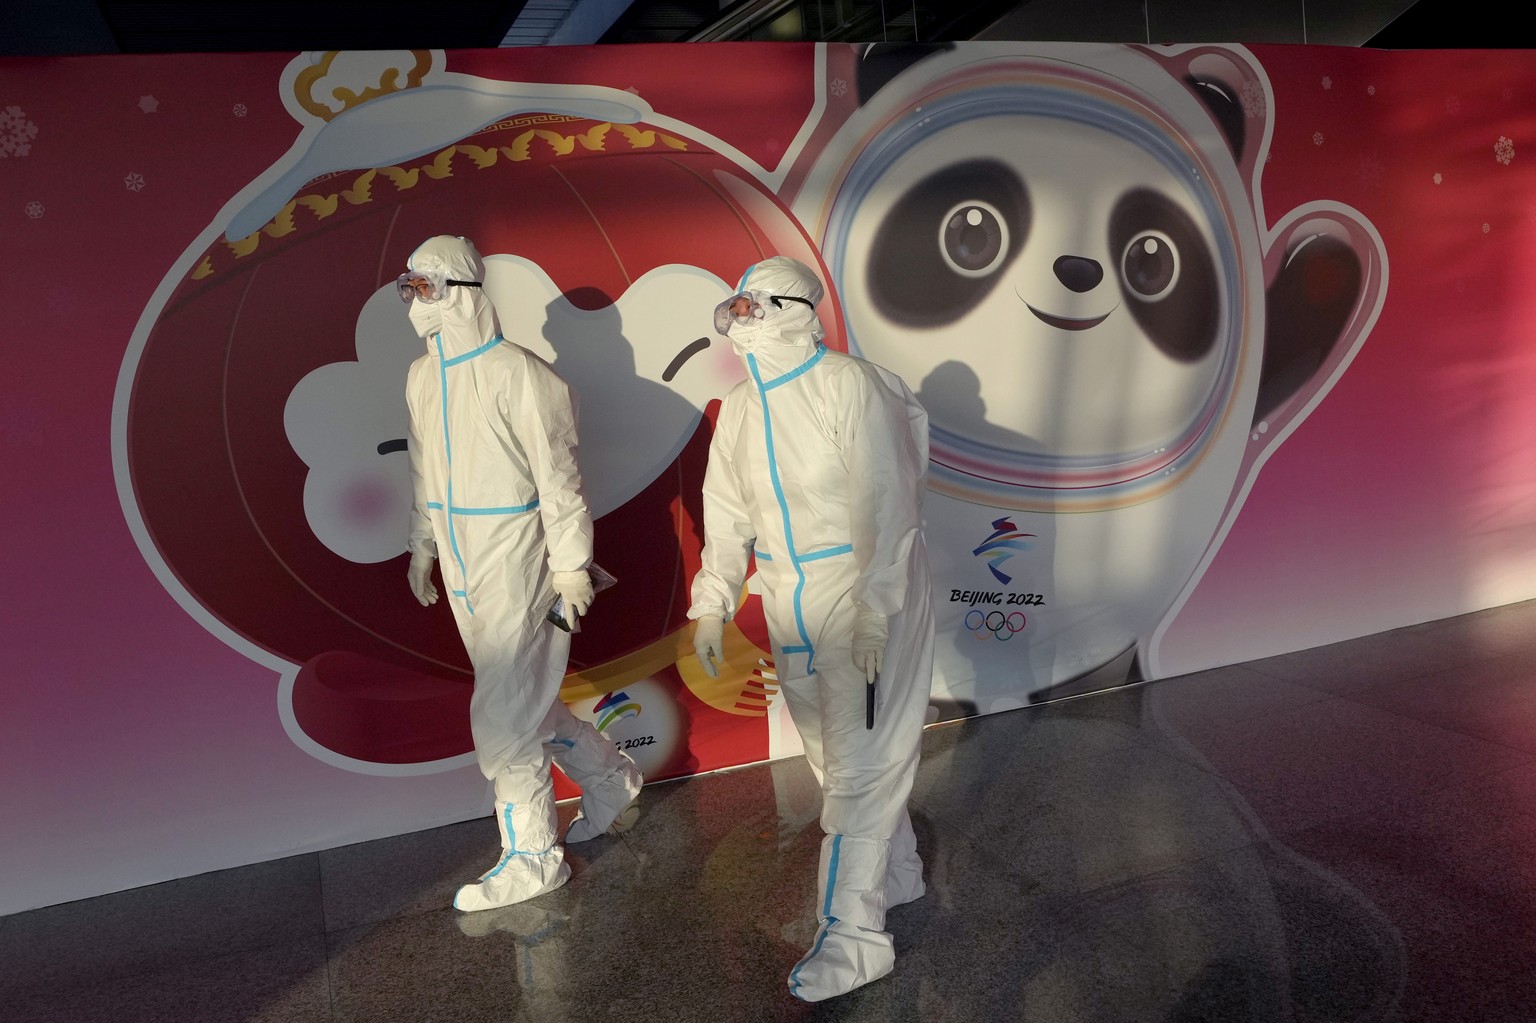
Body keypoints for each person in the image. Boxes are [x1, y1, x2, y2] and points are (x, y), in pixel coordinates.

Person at [689, 255, 935, 1001]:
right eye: (739, 304)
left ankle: (855, 934)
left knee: (859, 766)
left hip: (860, 587)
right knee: (834, 756)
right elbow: (726, 509)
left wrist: (876, 604)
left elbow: (890, 502)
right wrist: (714, 598)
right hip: (791, 594)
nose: (744, 317)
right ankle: (897, 872)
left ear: (796, 307)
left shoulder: (848, 385)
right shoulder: (741, 405)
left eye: (759, 304)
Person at [400, 235, 642, 912]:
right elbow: (423, 469)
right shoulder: (422, 376)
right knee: (521, 697)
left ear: (461, 289)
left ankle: (535, 854)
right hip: (459, 556)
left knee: (504, 712)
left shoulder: (525, 376)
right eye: (408, 289)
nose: (416, 303)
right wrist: (423, 544)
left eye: (427, 288)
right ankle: (609, 777)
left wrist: (569, 567)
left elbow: (561, 483)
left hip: (517, 549)